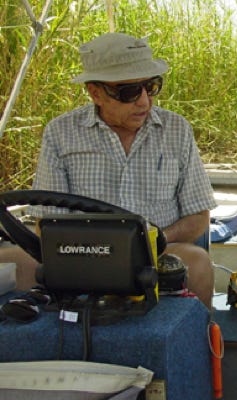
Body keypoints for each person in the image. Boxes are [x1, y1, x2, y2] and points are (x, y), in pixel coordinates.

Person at [1, 32, 217, 309]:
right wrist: (93, 252)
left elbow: (198, 217)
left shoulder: (177, 130)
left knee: (197, 263)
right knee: (10, 263)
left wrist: (152, 241)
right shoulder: (60, 133)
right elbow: (47, 222)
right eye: (129, 92)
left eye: (150, 87)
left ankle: (196, 337)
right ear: (95, 93)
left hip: (157, 253)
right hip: (80, 255)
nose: (144, 101)